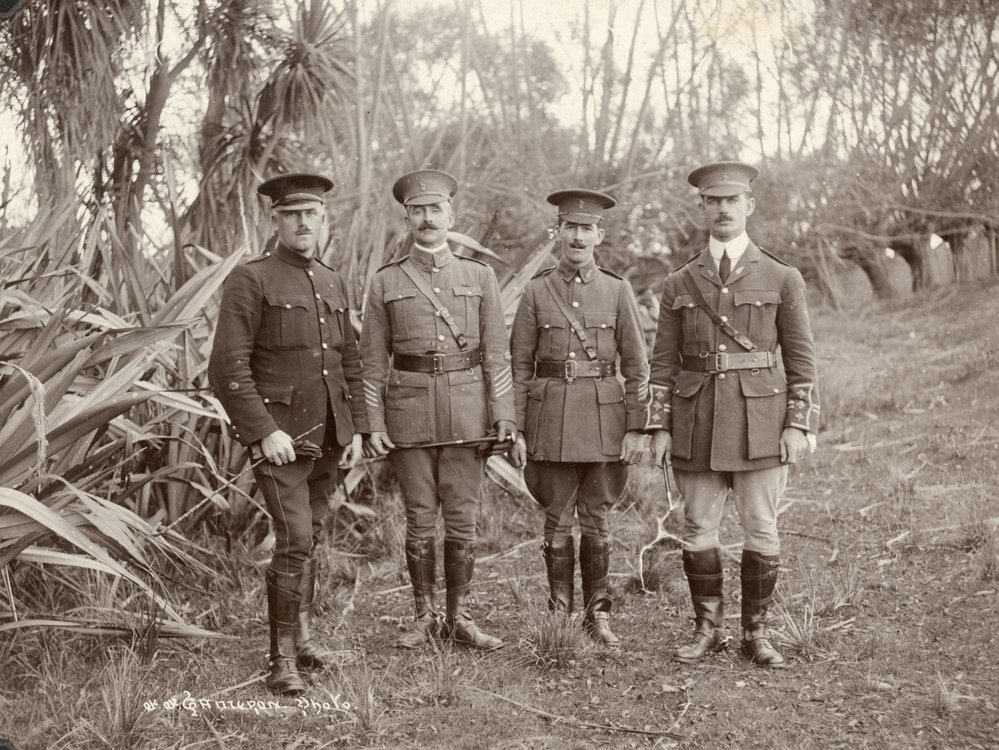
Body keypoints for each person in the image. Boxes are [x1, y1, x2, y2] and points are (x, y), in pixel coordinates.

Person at [648, 161, 819, 668]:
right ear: (700, 208)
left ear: (749, 205)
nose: (722, 209)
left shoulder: (782, 276)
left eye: (731, 200)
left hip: (761, 422)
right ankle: (706, 629)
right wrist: (658, 424)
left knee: (761, 529)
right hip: (696, 420)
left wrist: (798, 422)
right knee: (698, 526)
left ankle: (756, 633)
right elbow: (663, 360)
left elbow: (802, 358)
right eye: (712, 201)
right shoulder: (679, 281)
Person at [208, 173, 367, 694]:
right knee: (294, 538)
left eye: (312, 214)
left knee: (312, 536)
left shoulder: (333, 280)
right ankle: (280, 659)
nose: (303, 222)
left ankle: (301, 638)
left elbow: (349, 360)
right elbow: (227, 367)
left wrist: (358, 427)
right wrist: (262, 431)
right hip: (280, 441)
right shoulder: (251, 279)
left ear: (324, 220)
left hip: (329, 437)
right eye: (292, 214)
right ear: (274, 219)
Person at [360, 169, 517, 650]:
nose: (427, 219)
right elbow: (371, 361)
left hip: (468, 414)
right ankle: (424, 615)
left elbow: (496, 353)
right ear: (406, 218)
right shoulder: (386, 282)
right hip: (408, 415)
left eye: (435, 210)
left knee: (464, 518)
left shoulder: (479, 275)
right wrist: (374, 422)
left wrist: (504, 414)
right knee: (420, 517)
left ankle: (460, 617)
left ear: (452, 215)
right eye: (418, 211)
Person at [509, 189, 649, 646]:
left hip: (605, 419)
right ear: (558, 233)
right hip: (549, 419)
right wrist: (516, 427)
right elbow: (518, 367)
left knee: (598, 518)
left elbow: (637, 366)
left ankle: (598, 615)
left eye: (586, 229)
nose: (577, 236)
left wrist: (635, 426)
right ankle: (560, 613)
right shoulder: (535, 291)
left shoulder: (617, 289)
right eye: (569, 227)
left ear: (599, 236)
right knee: (556, 518)